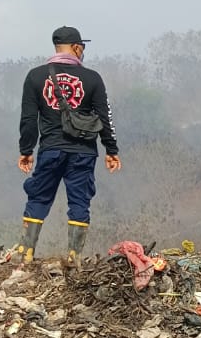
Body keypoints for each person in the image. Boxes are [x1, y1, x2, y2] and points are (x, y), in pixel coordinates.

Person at [13, 26, 121, 262]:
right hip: (83, 152)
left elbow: (29, 119)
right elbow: (105, 118)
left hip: (50, 149)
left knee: (39, 197)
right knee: (79, 201)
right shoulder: (92, 78)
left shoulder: (36, 76)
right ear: (76, 47)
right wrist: (111, 150)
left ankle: (26, 254)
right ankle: (73, 258)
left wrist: (26, 151)